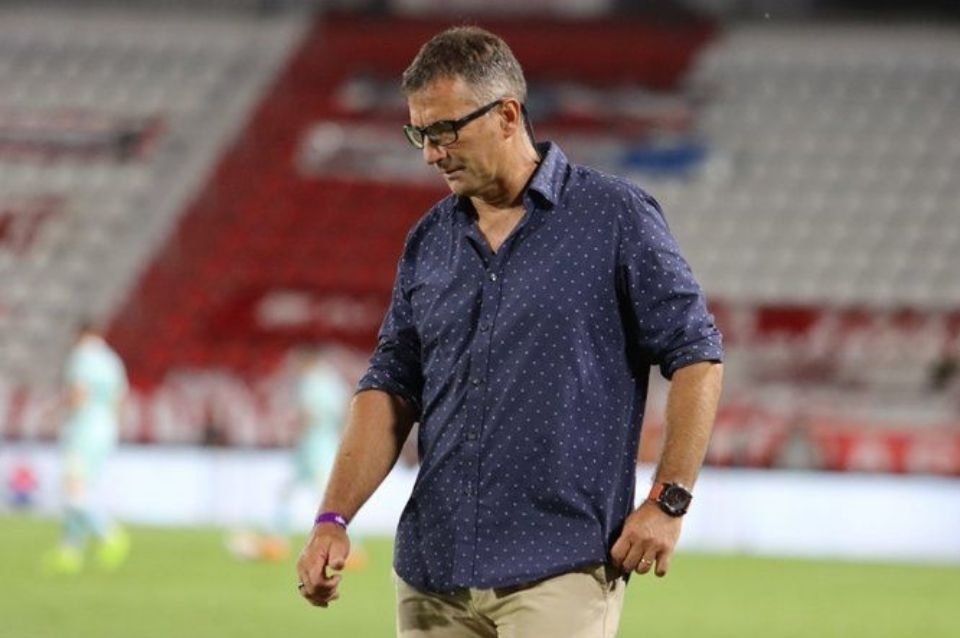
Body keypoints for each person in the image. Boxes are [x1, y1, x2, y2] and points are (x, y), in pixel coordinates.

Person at [296, 26, 724, 637]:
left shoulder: (614, 217)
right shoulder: (429, 240)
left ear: (507, 115)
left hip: (559, 568)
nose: (431, 153)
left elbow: (697, 354)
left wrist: (669, 501)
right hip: (432, 573)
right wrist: (332, 518)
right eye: (419, 134)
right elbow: (391, 386)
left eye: (445, 130)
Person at [43, 322, 130, 575]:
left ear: (80, 336)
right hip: (106, 429)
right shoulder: (112, 360)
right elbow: (119, 399)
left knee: (72, 490)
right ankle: (69, 552)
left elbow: (79, 395)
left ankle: (109, 533)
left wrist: (56, 410)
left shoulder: (81, 357)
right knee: (82, 489)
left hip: (84, 429)